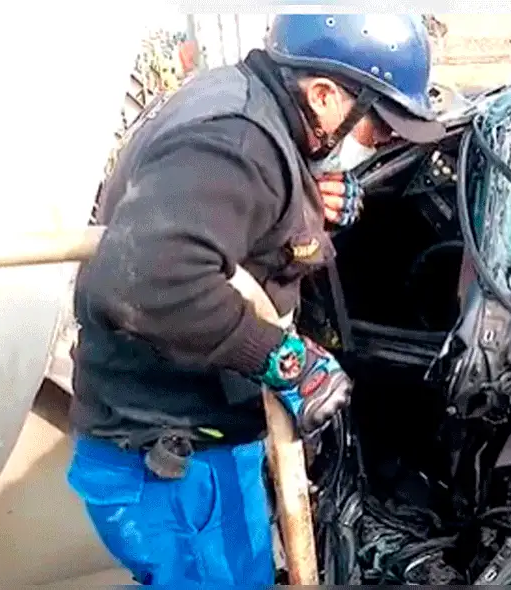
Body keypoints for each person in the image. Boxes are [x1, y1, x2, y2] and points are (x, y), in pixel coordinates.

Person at [65, 14, 444, 585]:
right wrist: (286, 362)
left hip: (199, 436)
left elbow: (218, 217)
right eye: (380, 127)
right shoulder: (234, 141)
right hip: (170, 458)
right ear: (323, 95)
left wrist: (304, 204)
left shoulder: (250, 110)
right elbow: (144, 283)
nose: (381, 142)